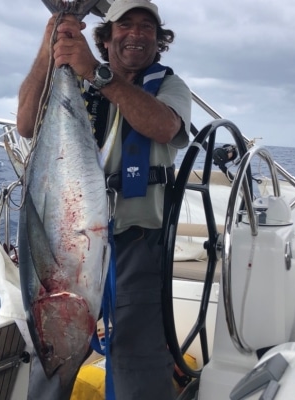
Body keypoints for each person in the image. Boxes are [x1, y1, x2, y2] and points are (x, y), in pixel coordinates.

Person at [17, 0, 191, 398]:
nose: (136, 34)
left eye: (147, 27)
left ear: (158, 39)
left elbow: (163, 127)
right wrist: (52, 42)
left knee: (137, 353)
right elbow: (26, 124)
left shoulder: (168, 85)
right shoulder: (71, 78)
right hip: (68, 235)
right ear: (107, 35)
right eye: (124, 24)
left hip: (137, 239)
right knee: (54, 345)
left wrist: (96, 73)